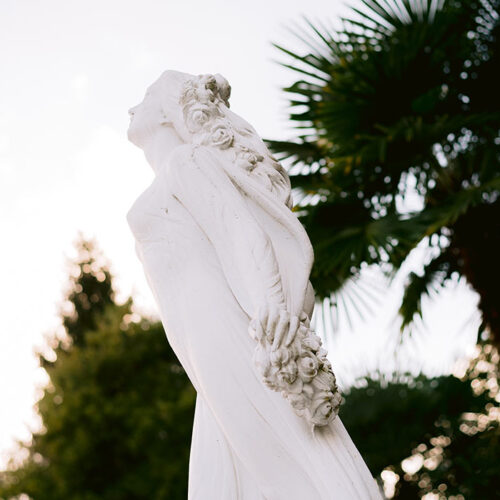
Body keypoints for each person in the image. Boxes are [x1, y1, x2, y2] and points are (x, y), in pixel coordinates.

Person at [126, 70, 382, 499]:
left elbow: (239, 230)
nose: (133, 107)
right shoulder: (177, 169)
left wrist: (273, 307)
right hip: (201, 350)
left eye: (147, 95)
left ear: (170, 111)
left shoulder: (185, 162)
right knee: (234, 473)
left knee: (284, 463)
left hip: (227, 333)